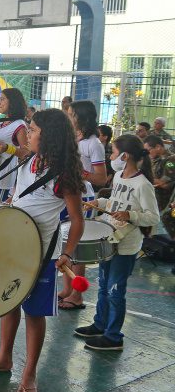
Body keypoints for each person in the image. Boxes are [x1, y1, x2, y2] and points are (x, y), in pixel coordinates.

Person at [0, 108, 85, 392]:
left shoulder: (63, 177)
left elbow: (77, 219)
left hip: (42, 253)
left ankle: (30, 372)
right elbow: (18, 196)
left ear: (47, 137)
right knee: (8, 302)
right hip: (14, 246)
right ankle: (4, 357)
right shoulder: (29, 161)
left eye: (33, 130)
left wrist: (68, 253)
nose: (29, 134)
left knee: (34, 314)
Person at [80, 135, 158, 350]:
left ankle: (114, 337)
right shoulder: (119, 176)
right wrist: (99, 202)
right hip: (110, 238)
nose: (111, 157)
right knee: (104, 286)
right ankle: (100, 324)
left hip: (126, 245)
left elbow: (153, 217)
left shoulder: (143, 184)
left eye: (113, 153)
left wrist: (130, 215)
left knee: (115, 290)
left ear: (125, 156)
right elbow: (115, 202)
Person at [58, 100, 108, 311]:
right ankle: (68, 288)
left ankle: (77, 295)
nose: (68, 116)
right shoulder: (73, 138)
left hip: (83, 196)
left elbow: (101, 179)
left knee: (77, 247)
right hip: (68, 193)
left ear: (82, 117)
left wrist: (80, 172)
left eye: (71, 113)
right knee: (66, 244)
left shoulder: (93, 143)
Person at [0, 88, 29, 202]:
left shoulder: (20, 125)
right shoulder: (0, 123)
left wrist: (8, 148)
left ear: (12, 102)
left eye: (2, 99)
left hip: (3, 177)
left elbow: (26, 153)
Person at [144, 135, 175, 220]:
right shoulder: (154, 158)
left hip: (161, 204)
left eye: (148, 150)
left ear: (158, 147)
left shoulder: (171, 160)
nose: (147, 153)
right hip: (151, 202)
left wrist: (143, 178)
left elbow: (164, 184)